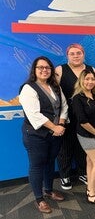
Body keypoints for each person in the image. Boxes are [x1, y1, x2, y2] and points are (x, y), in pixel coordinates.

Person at [19, 56, 68, 213]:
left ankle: (48, 190)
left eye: (47, 67)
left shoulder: (55, 86)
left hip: (54, 133)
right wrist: (55, 127)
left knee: (50, 162)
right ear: (34, 70)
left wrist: (60, 124)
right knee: (37, 165)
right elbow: (34, 115)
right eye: (40, 67)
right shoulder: (28, 88)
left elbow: (64, 106)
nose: (44, 70)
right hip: (35, 135)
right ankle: (39, 198)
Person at [55, 43, 95, 190]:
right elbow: (55, 94)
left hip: (87, 116)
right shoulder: (60, 70)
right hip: (67, 116)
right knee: (66, 146)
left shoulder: (91, 70)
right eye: (72, 53)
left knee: (85, 146)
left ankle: (83, 172)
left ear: (83, 54)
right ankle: (65, 175)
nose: (76, 56)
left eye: (79, 53)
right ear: (67, 55)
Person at [72, 69, 95, 205]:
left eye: (92, 79)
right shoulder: (77, 98)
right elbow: (82, 121)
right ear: (81, 80)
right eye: (87, 79)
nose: (90, 82)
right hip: (86, 135)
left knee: (91, 162)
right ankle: (92, 194)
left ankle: (89, 189)